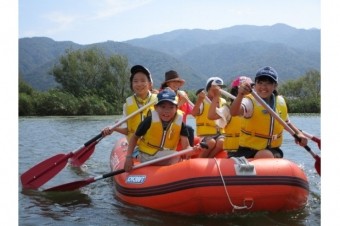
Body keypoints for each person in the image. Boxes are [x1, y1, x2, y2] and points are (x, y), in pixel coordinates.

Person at [229, 66, 308, 158]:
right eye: (260, 83)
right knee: (265, 154)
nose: (263, 87)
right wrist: (240, 94)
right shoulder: (249, 101)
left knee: (267, 154)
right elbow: (234, 112)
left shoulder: (280, 101)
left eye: (268, 83)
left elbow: (286, 122)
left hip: (273, 149)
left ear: (275, 86)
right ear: (255, 85)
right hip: (248, 150)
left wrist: (298, 133)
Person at [124, 89, 192, 172]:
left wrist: (192, 149)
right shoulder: (149, 120)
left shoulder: (180, 123)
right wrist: (128, 157)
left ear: (176, 108)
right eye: (163, 107)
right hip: (146, 154)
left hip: (165, 154)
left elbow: (186, 146)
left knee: (176, 156)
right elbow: (134, 138)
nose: (167, 111)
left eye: (171, 107)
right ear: (156, 107)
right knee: (175, 156)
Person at [102, 65, 157, 145]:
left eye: (143, 80)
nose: (139, 84)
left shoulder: (158, 100)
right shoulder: (127, 105)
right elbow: (127, 130)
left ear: (150, 84)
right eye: (135, 81)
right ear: (131, 84)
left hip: (154, 146)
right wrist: (113, 128)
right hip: (135, 147)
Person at [208, 76, 252, 155]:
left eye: (249, 91)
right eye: (243, 91)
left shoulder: (255, 107)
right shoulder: (228, 109)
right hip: (233, 150)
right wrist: (216, 96)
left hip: (251, 149)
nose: (246, 94)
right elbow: (211, 116)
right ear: (236, 92)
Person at [191, 77, 227, 158]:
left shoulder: (223, 101)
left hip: (220, 132)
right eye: (215, 87)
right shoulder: (203, 101)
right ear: (208, 88)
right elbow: (193, 113)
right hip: (206, 133)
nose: (218, 90)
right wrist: (199, 100)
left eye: (220, 88)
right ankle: (200, 160)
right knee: (211, 142)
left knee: (221, 142)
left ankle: (210, 159)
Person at [159, 70, 195, 146]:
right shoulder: (162, 94)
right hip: (166, 126)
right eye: (173, 81)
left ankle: (189, 154)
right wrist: (181, 102)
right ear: (168, 83)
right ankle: (188, 153)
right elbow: (165, 113)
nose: (176, 84)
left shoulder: (182, 95)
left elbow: (193, 112)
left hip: (181, 127)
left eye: (178, 82)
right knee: (189, 129)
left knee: (189, 129)